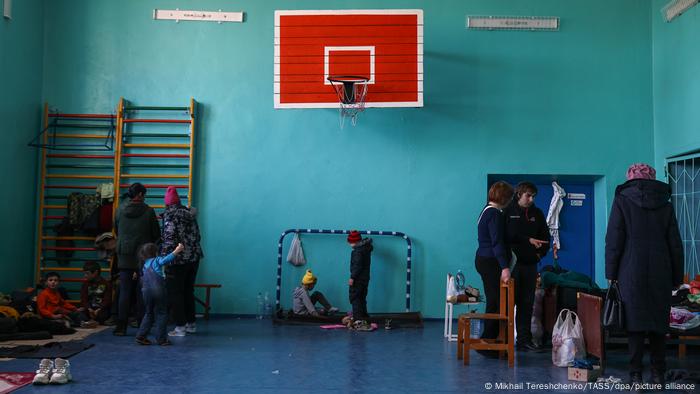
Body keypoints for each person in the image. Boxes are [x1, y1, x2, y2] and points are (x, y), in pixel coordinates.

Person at [605, 163, 684, 386]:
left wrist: (611, 272)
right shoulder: (665, 205)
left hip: (631, 269)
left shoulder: (622, 201)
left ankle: (636, 376)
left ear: (630, 178)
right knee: (659, 323)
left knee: (635, 325)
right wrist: (677, 277)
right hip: (661, 269)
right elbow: (675, 244)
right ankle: (658, 375)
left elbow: (614, 239)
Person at [504, 181, 550, 352]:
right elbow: (507, 236)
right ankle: (505, 339)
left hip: (530, 265)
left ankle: (524, 340)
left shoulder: (537, 213)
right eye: (528, 195)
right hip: (512, 266)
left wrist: (539, 254)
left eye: (533, 196)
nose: (531, 199)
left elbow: (545, 237)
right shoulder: (508, 212)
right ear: (519, 194)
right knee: (509, 303)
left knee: (526, 303)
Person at [114, 182, 160, 336]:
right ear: (140, 194)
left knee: (124, 291)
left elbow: (116, 230)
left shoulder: (119, 210)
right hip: (143, 255)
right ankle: (142, 324)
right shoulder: (148, 211)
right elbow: (156, 235)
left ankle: (121, 326)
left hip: (124, 254)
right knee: (142, 291)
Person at [475, 181, 514, 356]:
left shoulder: (486, 210)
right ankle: (488, 343)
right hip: (491, 261)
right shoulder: (494, 214)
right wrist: (505, 267)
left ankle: (492, 340)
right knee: (496, 301)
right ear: (505, 198)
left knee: (496, 300)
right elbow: (497, 242)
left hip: (484, 259)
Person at [161, 186, 204, 337]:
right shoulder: (189, 215)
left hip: (177, 259)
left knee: (175, 293)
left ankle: (180, 327)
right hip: (194, 258)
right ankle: (191, 324)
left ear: (167, 203)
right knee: (188, 291)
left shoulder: (170, 216)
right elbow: (197, 236)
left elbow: (169, 238)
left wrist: (164, 258)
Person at [136, 242, 184, 346]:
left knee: (149, 313)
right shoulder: (156, 260)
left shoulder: (145, 264)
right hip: (158, 289)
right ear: (156, 252)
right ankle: (161, 339)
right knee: (162, 313)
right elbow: (166, 259)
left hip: (146, 291)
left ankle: (141, 336)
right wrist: (177, 250)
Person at [348, 230, 373, 329]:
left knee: (355, 297)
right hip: (365, 278)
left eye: (350, 242)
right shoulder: (366, 249)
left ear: (354, 241)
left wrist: (352, 277)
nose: (349, 244)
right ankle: (364, 317)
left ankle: (358, 320)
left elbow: (357, 265)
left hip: (358, 278)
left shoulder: (357, 251)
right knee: (362, 297)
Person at [80, 261, 112, 326]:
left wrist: (99, 309)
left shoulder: (105, 284)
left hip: (101, 309)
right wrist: (89, 309)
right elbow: (83, 299)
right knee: (80, 314)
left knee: (105, 315)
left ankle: (93, 321)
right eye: (84, 273)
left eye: (87, 273)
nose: (85, 276)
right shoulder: (85, 284)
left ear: (95, 272)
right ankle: (89, 321)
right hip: (89, 309)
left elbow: (107, 299)